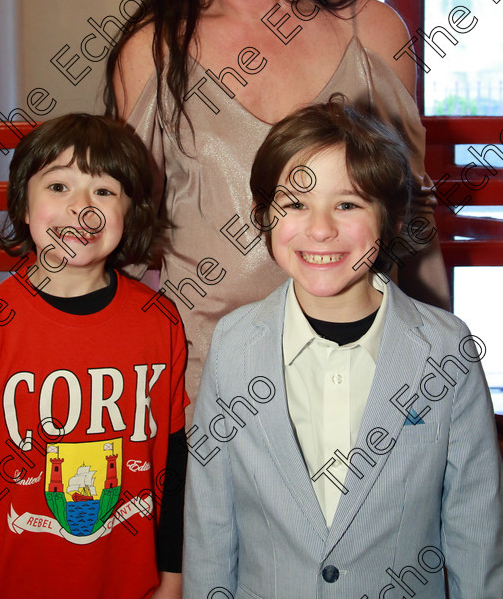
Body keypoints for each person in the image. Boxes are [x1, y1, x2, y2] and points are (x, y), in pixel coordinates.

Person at [104, 0, 450, 408]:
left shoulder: (371, 34)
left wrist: (436, 377)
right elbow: (127, 236)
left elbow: (412, 220)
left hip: (362, 382)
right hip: (208, 394)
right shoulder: (150, 53)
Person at [183, 97, 503, 599]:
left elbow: (476, 533)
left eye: (347, 204)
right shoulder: (234, 345)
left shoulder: (446, 350)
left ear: (392, 219)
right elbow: (210, 526)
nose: (320, 229)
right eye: (295, 204)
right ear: (263, 216)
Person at [0, 114, 188, 599]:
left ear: (131, 212)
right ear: (24, 207)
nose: (82, 209)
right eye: (59, 186)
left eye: (104, 191)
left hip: (132, 586)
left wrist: (172, 573)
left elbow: (174, 464)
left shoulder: (160, 322)